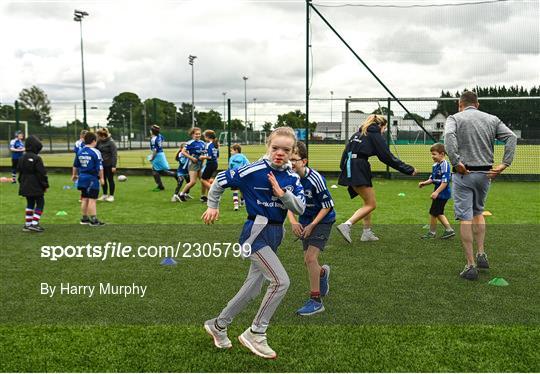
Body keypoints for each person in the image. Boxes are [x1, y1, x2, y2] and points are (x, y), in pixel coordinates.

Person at [202, 126, 305, 360]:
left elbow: (299, 207)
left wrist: (282, 194)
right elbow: (219, 181)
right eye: (275, 147)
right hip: (254, 233)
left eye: (286, 150)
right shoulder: (252, 170)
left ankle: (218, 325)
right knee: (281, 282)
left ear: (292, 152)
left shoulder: (291, 178)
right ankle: (256, 332)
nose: (280, 153)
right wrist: (212, 205)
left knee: (253, 288)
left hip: (276, 234)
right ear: (268, 147)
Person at [444, 91, 517, 280]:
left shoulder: (454, 118)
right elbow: (511, 138)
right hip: (486, 174)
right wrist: (503, 165)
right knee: (478, 212)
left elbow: (449, 135)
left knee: (465, 218)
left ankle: (470, 266)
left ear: (460, 104)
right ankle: (481, 253)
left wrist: (455, 161)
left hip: (463, 174)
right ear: (477, 104)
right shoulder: (492, 119)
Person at [336, 114, 417, 243]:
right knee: (371, 204)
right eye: (384, 128)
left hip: (351, 167)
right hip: (359, 168)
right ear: (380, 125)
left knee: (367, 202)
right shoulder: (374, 134)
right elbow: (386, 156)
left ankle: (367, 233)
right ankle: (346, 225)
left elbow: (345, 154)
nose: (384, 131)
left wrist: (345, 170)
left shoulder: (357, 134)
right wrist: (408, 169)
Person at [287, 141, 335, 316]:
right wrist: (293, 221)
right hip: (304, 219)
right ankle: (322, 274)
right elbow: (286, 204)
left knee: (309, 258)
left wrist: (312, 225)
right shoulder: (287, 178)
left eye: (294, 159)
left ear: (304, 161)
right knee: (309, 260)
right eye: (288, 159)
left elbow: (328, 205)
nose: (290, 163)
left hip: (323, 220)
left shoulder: (315, 179)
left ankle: (316, 301)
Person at [418, 143, 455, 239]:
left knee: (434, 213)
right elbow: (432, 179)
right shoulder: (435, 165)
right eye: (432, 154)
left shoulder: (445, 165)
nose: (432, 156)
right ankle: (449, 230)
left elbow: (445, 181)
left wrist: (437, 192)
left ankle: (432, 233)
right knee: (438, 212)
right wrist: (424, 183)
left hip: (443, 193)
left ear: (442, 154)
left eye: (434, 154)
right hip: (439, 193)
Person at [72, 132, 105, 226]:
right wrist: (102, 178)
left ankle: (84, 219)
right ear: (94, 141)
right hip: (92, 179)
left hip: (82, 178)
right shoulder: (96, 152)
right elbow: (100, 167)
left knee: (84, 198)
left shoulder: (80, 151)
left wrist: (74, 175)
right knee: (92, 199)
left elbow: (75, 165)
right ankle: (94, 220)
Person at [17, 135, 48, 232]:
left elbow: (19, 171)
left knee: (30, 203)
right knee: (40, 202)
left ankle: (27, 224)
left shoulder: (21, 158)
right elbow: (41, 174)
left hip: (25, 183)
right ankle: (34, 224)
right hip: (35, 184)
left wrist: (21, 182)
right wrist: (45, 185)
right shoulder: (37, 158)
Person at [178, 127, 206, 201]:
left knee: (203, 180)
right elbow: (183, 152)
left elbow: (204, 153)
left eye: (199, 134)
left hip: (200, 164)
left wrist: (203, 159)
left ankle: (203, 196)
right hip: (193, 164)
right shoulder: (190, 143)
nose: (198, 135)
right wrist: (191, 158)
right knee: (193, 182)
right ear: (192, 135)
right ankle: (181, 194)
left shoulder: (202, 143)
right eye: (196, 134)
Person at [149, 124, 175, 191]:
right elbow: (162, 140)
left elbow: (155, 150)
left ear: (152, 131)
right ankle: (175, 175)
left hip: (157, 155)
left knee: (155, 170)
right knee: (159, 170)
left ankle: (160, 186)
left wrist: (152, 157)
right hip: (161, 153)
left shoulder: (153, 139)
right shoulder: (159, 136)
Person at [96, 128, 118, 202]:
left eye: (98, 135)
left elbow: (114, 155)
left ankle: (111, 196)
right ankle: (105, 195)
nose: (97, 137)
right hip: (101, 165)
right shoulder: (99, 142)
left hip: (109, 165)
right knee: (103, 179)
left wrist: (114, 166)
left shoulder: (111, 142)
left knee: (110, 180)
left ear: (102, 135)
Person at [199, 130, 220, 203]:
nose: (204, 138)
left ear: (207, 137)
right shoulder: (216, 144)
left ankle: (214, 192)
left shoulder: (209, 144)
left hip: (210, 164)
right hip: (215, 164)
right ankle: (209, 198)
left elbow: (209, 156)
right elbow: (217, 156)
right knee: (207, 179)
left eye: (204, 136)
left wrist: (202, 157)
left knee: (203, 180)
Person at [228, 143, 250, 210]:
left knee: (235, 190)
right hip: (242, 176)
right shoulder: (243, 157)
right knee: (242, 190)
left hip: (234, 176)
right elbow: (248, 165)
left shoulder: (231, 158)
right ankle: (242, 201)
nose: (231, 152)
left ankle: (236, 205)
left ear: (236, 150)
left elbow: (229, 168)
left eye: (231, 151)